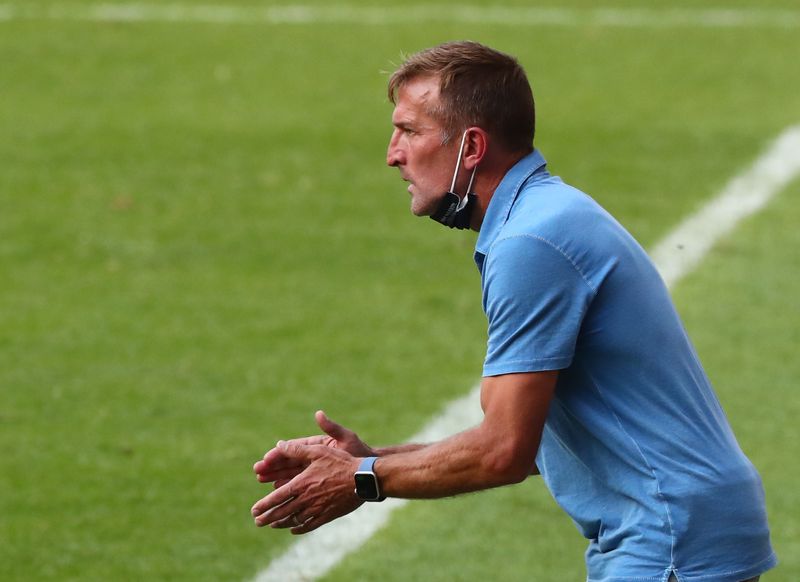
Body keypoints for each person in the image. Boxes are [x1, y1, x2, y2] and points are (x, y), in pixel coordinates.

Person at [251, 41, 777, 582]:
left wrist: (363, 478)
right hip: (678, 528)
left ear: (471, 147)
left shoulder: (532, 242)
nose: (392, 153)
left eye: (410, 131)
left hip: (668, 536)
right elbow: (530, 448)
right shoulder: (542, 215)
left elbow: (503, 450)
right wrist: (370, 461)